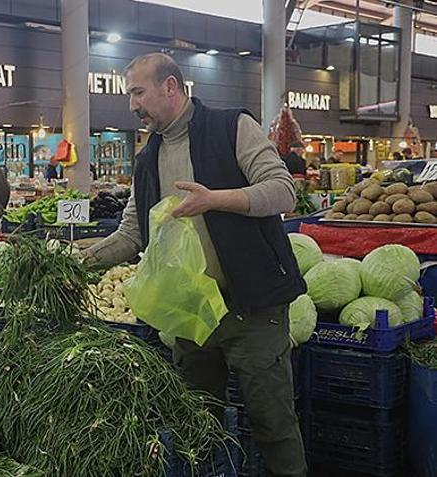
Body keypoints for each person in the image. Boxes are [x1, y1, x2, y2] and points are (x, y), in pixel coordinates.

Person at [82, 53, 307, 477]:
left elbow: (282, 192)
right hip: (190, 315)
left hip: (252, 307)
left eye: (138, 92)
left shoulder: (231, 128)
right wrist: (80, 262)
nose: (132, 105)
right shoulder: (148, 158)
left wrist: (215, 199)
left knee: (272, 423)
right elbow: (132, 232)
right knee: (195, 425)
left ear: (170, 87)